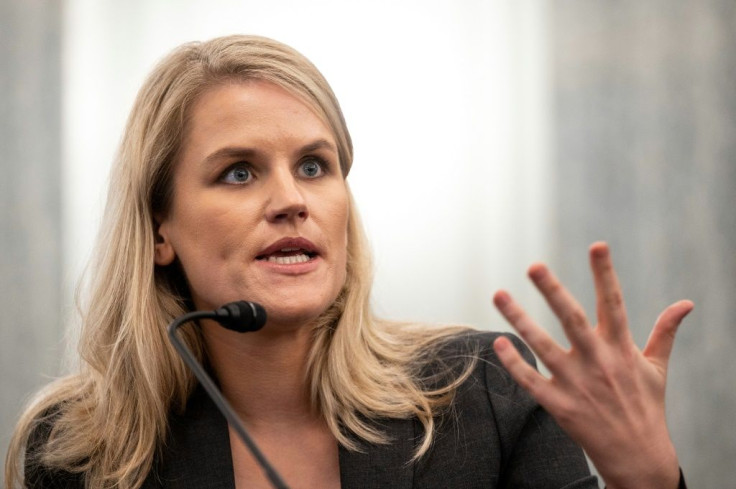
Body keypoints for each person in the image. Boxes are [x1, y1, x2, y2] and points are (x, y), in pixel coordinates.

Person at [4, 35, 691, 489]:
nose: (291, 200)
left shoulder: (486, 392)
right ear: (161, 231)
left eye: (314, 165)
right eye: (239, 173)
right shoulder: (76, 450)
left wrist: (649, 481)